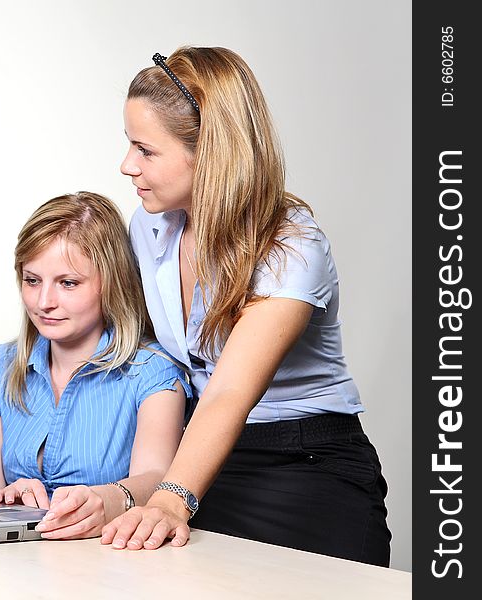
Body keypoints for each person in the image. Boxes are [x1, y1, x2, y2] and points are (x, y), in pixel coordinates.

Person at [101, 46, 392, 566]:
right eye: (130, 145)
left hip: (305, 467)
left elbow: (230, 391)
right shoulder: (149, 226)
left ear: (211, 151)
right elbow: (145, 359)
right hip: (202, 463)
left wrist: (171, 499)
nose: (127, 165)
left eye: (145, 150)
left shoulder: (291, 245)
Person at [0, 192, 189, 540]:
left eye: (68, 283)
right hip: (16, 566)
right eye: (32, 280)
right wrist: (7, 503)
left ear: (110, 282)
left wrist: (106, 498)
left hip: (113, 563)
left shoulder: (152, 371)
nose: (44, 302)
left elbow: (159, 478)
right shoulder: (1, 367)